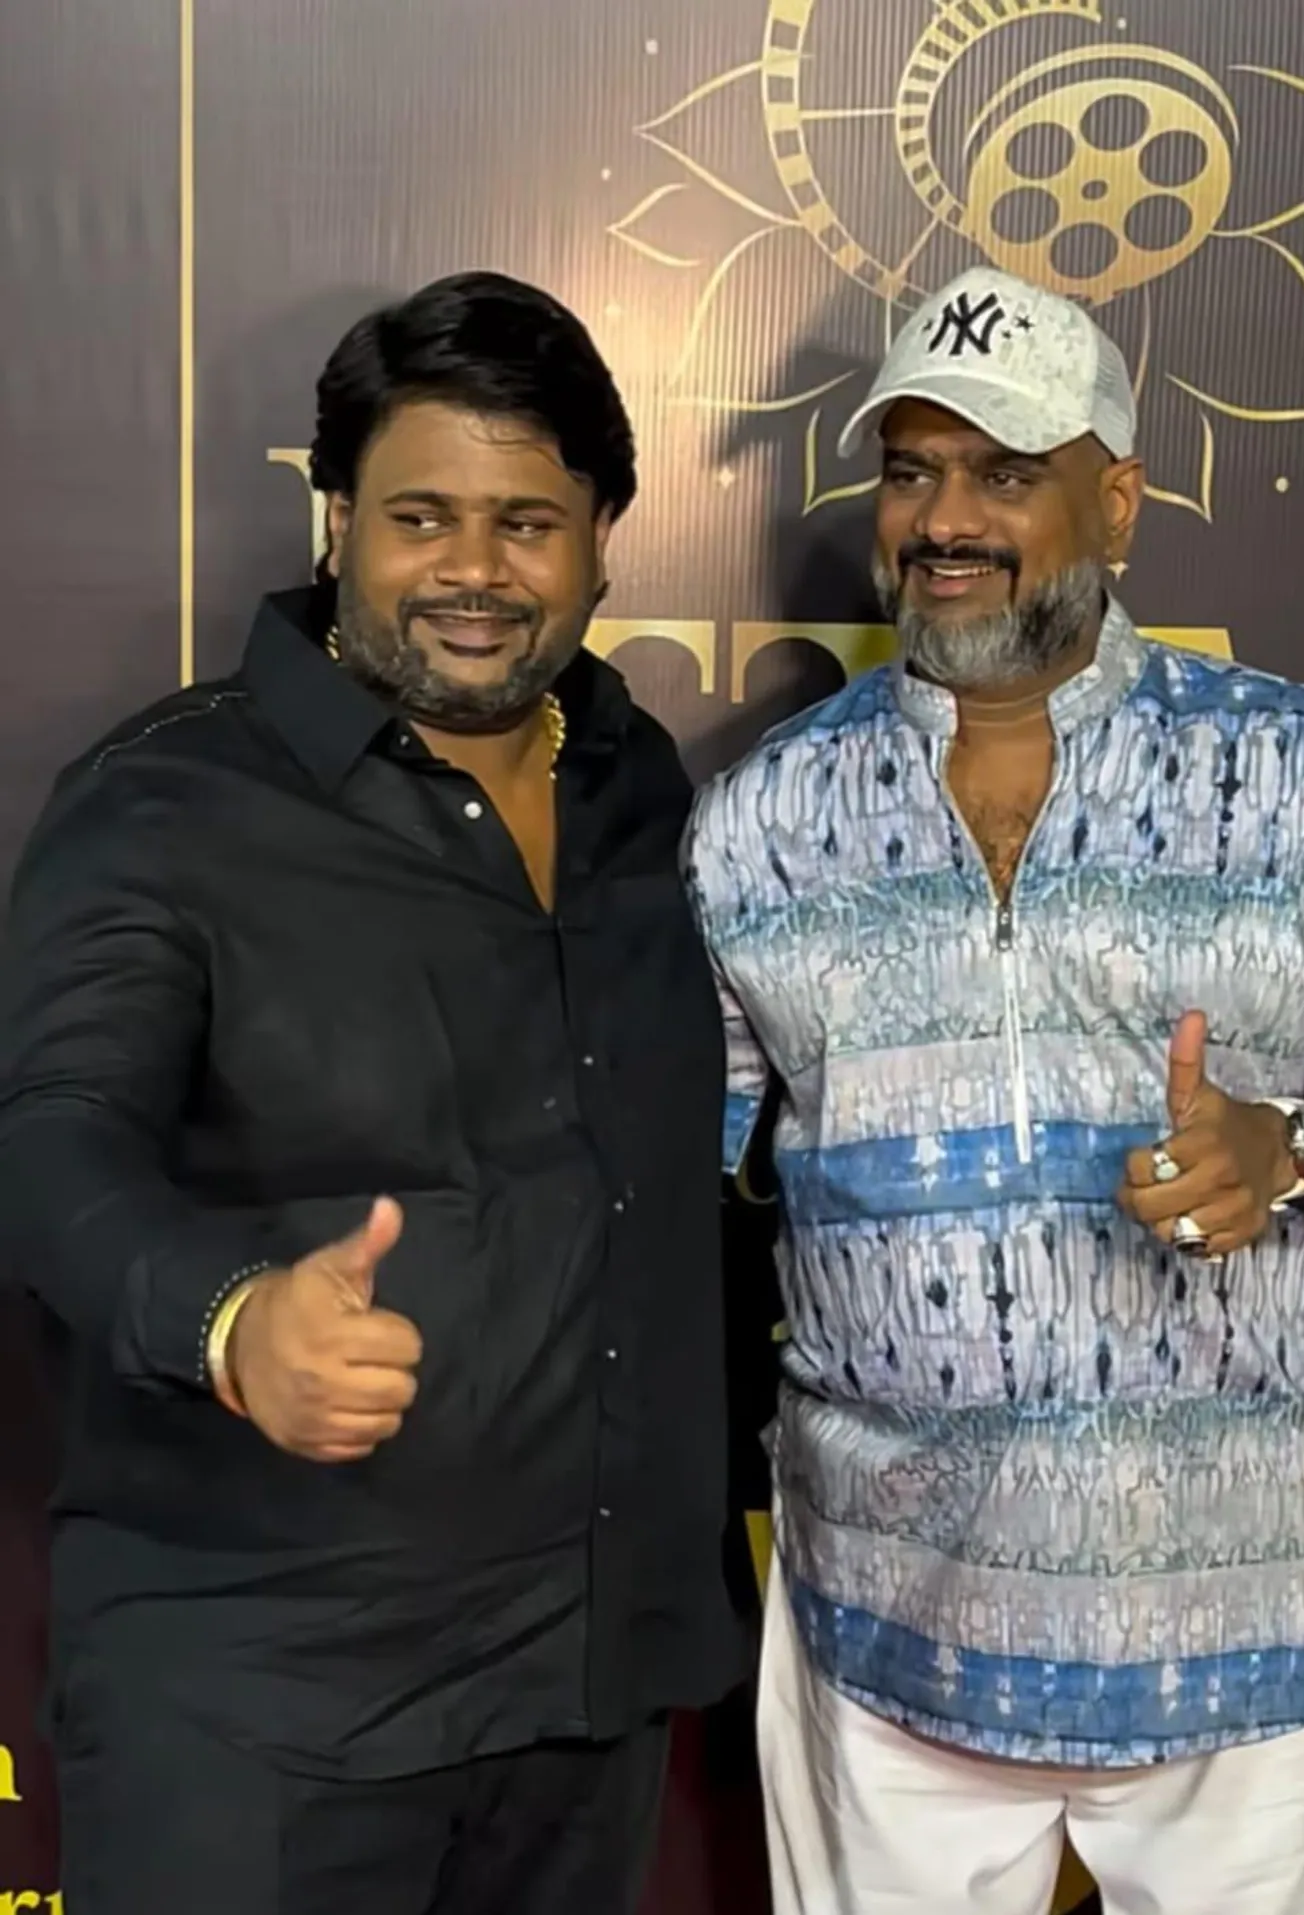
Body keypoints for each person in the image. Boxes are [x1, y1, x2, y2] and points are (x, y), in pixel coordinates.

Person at [684, 264, 1304, 1915]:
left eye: (1004, 471)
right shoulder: (758, 821)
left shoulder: (1296, 770)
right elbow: (693, 1162)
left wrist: (1289, 1144)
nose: (944, 519)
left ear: (1117, 501)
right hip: (887, 1630)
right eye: (910, 470)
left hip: (1242, 1620)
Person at [0, 270, 742, 1915]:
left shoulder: (639, 789)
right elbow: (47, 1144)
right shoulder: (164, 801)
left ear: (603, 539)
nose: (474, 570)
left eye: (525, 522)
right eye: (422, 517)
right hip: (264, 1715)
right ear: (337, 521)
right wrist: (227, 1316)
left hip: (581, 1698)